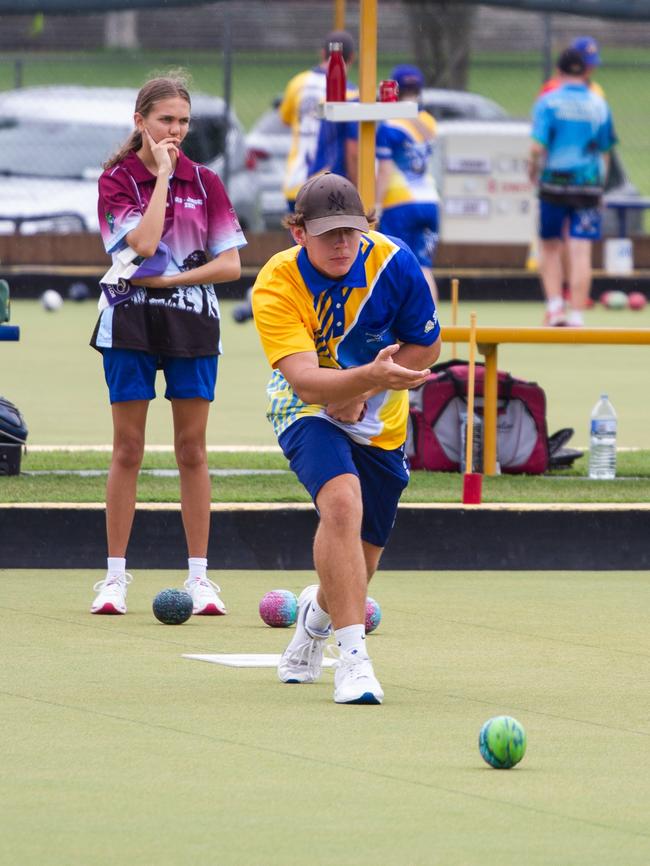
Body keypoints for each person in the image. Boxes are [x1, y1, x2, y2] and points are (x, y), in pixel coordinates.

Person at [251, 173, 441, 704]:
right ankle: (353, 662)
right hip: (305, 408)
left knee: (365, 558)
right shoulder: (276, 281)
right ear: (298, 232)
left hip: (382, 421)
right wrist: (361, 382)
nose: (341, 244)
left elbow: (426, 347)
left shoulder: (393, 261)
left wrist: (368, 384)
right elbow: (306, 381)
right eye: (328, 233)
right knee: (340, 501)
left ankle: (314, 623)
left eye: (351, 232)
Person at [89, 73, 246, 615]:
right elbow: (146, 242)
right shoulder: (116, 181)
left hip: (193, 324)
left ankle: (201, 578)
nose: (175, 131)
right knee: (128, 449)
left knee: (192, 451)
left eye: (182, 121)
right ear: (141, 123)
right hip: (128, 323)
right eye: (165, 121)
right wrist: (160, 180)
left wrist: (171, 283)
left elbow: (230, 265)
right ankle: (114, 578)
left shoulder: (207, 181)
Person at [529, 48, 617, 327]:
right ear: (586, 72)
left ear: (559, 71)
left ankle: (555, 307)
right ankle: (577, 315)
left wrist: (532, 169)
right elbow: (606, 150)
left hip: (554, 183)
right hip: (589, 185)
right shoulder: (599, 104)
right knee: (581, 250)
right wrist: (600, 185)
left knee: (550, 246)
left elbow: (536, 146)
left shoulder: (548, 102)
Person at [537, 37, 605, 302]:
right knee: (566, 241)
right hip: (579, 178)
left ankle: (567, 294)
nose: (590, 70)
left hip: (563, 178)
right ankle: (565, 292)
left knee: (566, 240)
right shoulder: (554, 91)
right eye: (586, 64)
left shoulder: (595, 92)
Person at [375, 64, 439, 302]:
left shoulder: (388, 124)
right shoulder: (428, 121)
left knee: (395, 265)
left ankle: (401, 323)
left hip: (399, 202)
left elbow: (385, 168)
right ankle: (429, 322)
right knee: (424, 266)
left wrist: (377, 204)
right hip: (430, 201)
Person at [279, 30, 357, 211]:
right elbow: (352, 145)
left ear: (322, 53)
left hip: (296, 182)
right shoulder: (350, 92)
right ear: (352, 57)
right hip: (332, 187)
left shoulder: (298, 83)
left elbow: (285, 119)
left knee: (300, 239)